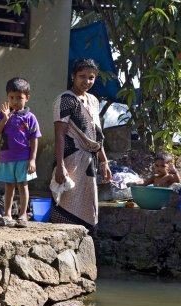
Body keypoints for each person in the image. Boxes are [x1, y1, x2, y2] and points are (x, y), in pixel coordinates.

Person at [51, 58, 112, 231]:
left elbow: (97, 135)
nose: (86, 81)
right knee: (67, 203)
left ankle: (82, 243)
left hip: (88, 162)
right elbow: (59, 135)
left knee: (86, 204)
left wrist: (104, 161)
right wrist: (60, 166)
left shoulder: (93, 101)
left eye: (91, 77)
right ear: (73, 76)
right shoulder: (65, 100)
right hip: (71, 160)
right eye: (82, 76)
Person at [0, 77, 42, 228]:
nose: (15, 101)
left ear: (27, 98)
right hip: (7, 158)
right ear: (7, 97)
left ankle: (22, 215)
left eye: (19, 98)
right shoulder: (3, 115)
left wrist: (32, 160)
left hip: (23, 159)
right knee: (9, 186)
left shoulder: (30, 118)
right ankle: (7, 214)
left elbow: (34, 139)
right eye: (11, 97)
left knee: (23, 185)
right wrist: (5, 119)